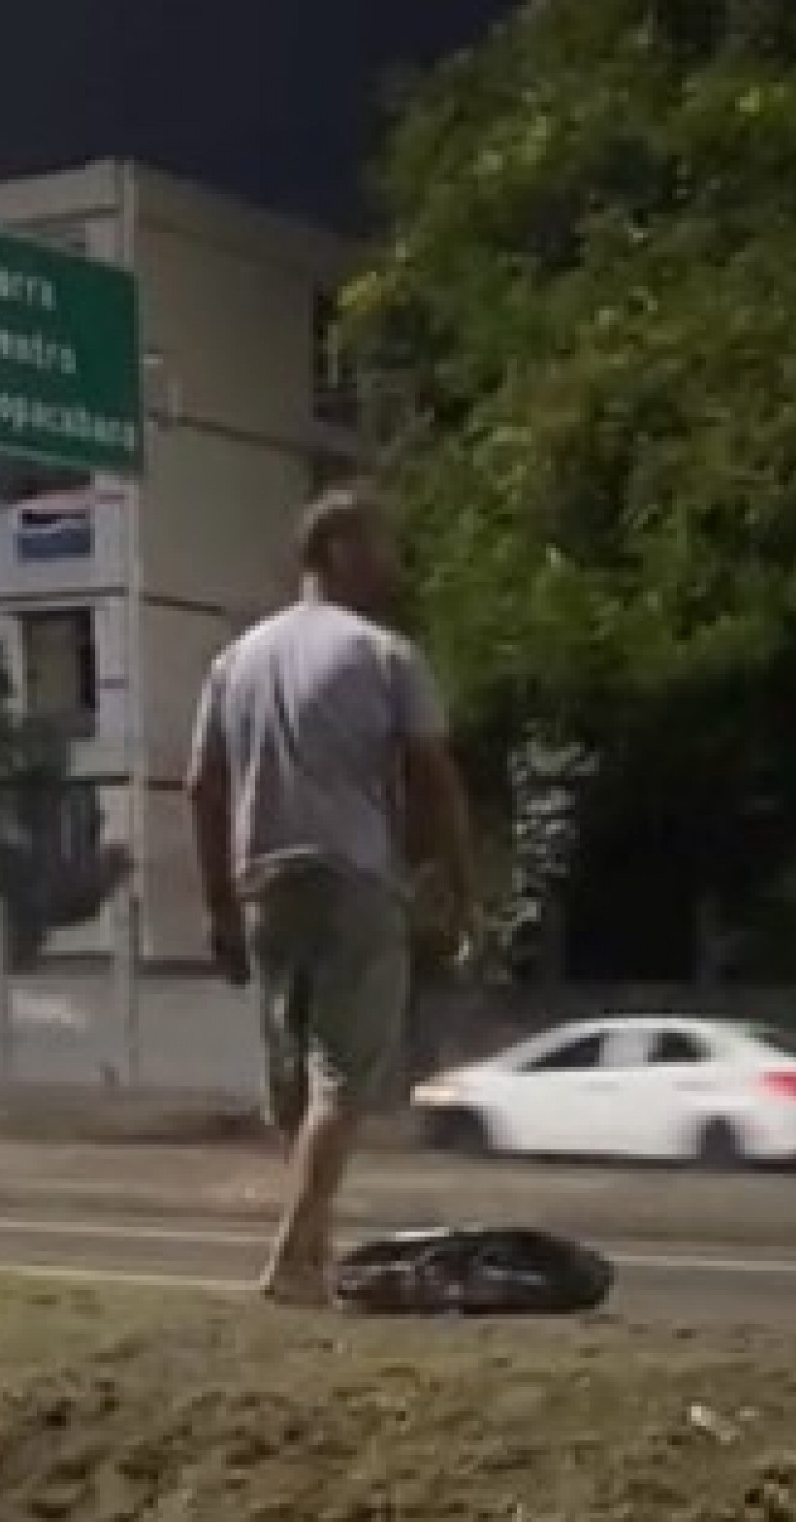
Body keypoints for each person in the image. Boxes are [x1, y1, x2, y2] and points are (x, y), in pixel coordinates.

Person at [186, 487, 477, 1304]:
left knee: (294, 1084)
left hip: (265, 885)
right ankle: (291, 1257)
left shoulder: (235, 662)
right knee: (342, 1082)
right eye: (380, 546)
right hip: (355, 879)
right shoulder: (384, 655)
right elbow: (435, 778)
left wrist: (218, 906)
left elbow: (203, 787)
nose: (393, 564)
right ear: (338, 549)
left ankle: (313, 1253)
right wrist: (460, 886)